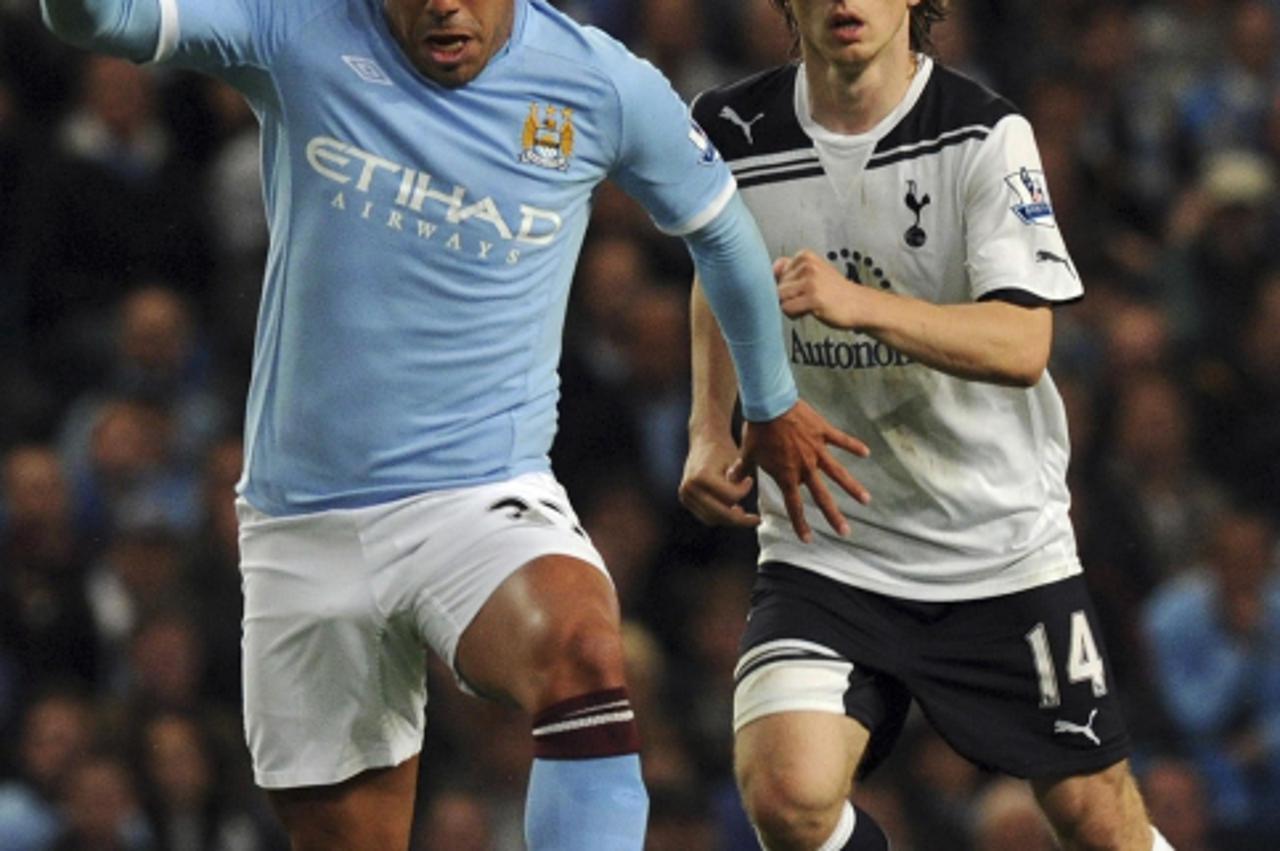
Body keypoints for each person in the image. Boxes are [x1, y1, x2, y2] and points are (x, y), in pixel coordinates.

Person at [40, 1, 870, 849]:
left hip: (480, 496)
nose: (445, 5)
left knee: (583, 644)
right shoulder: (299, 30)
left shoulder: (598, 82)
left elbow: (724, 230)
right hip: (303, 526)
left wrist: (765, 403)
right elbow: (95, 19)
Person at [678, 1, 1174, 849]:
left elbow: (1023, 341)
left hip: (994, 544)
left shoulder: (984, 135)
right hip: (831, 539)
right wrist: (708, 427)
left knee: (1099, 819)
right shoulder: (731, 127)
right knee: (786, 793)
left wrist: (856, 303)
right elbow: (721, 266)